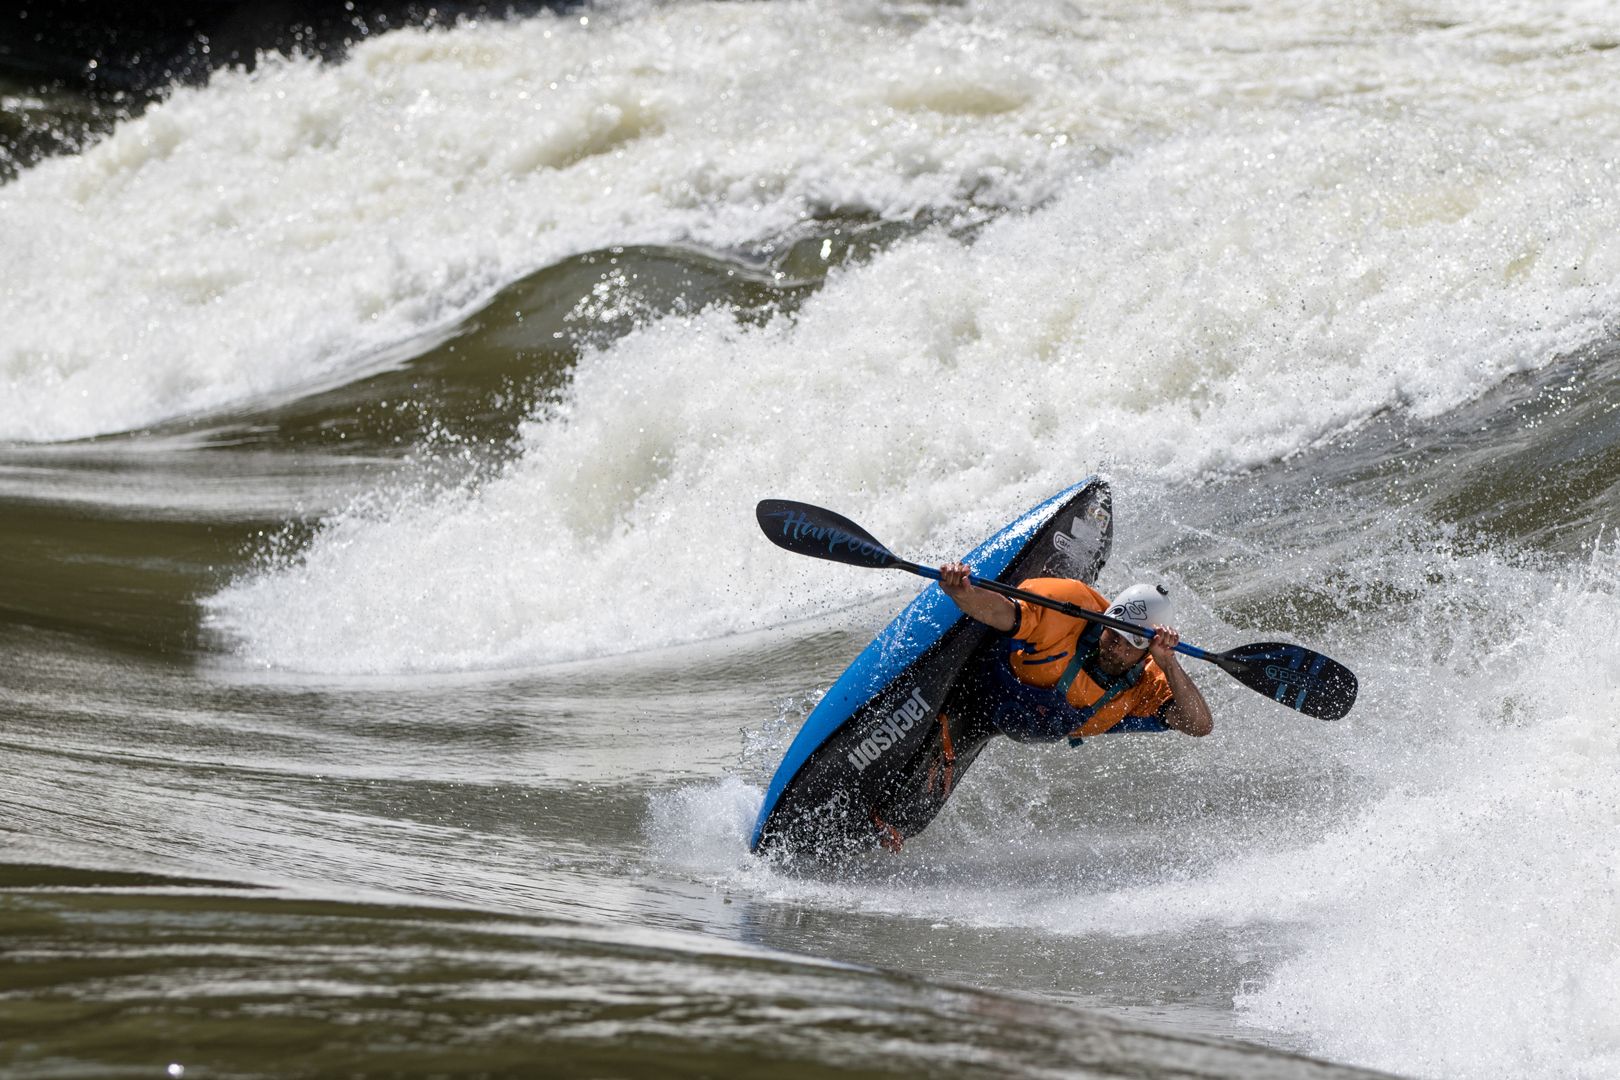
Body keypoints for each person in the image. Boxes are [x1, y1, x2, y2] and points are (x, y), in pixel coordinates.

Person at [938, 563, 1213, 742]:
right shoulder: (1067, 610)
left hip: (997, 726)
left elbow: (1199, 725)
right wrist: (962, 594)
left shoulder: (1147, 684)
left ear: (1146, 653)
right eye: (1113, 633)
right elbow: (1003, 614)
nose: (1116, 646)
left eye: (1130, 644)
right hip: (980, 679)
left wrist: (1170, 665)